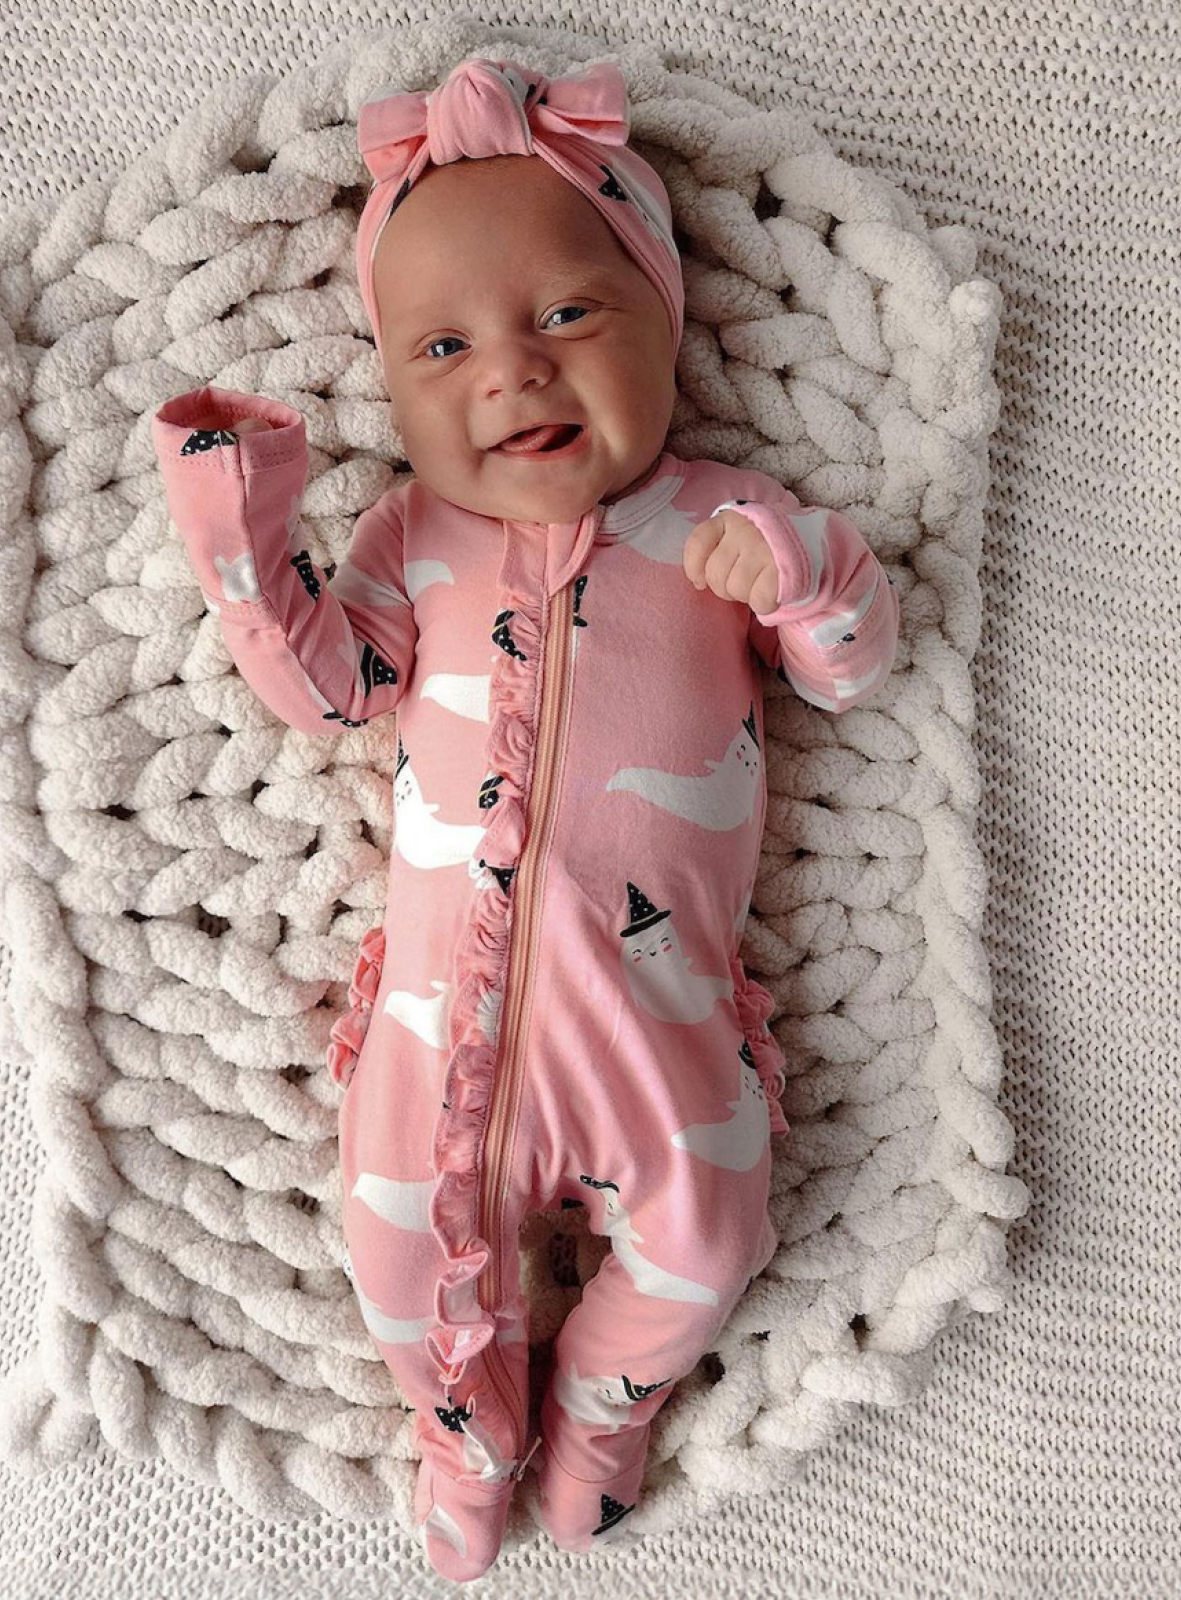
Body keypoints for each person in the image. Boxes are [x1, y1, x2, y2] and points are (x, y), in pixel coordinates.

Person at [151, 54, 900, 1584]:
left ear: (664, 324)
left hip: (658, 1024)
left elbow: (850, 666)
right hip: (437, 1041)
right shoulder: (412, 534)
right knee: (395, 1259)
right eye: (445, 347)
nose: (514, 372)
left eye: (568, 315)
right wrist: (241, 525)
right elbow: (331, 691)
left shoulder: (720, 519)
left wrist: (807, 578)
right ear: (397, 392)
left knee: (712, 1238)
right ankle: (468, 1433)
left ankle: (606, 1412)